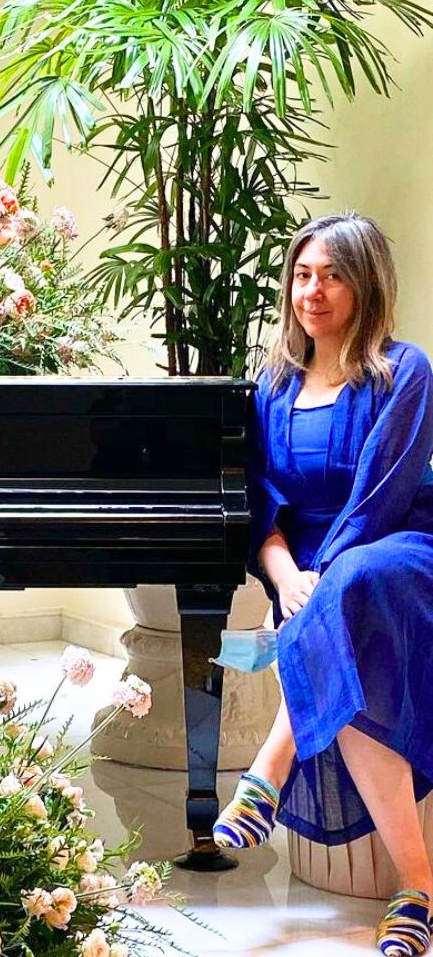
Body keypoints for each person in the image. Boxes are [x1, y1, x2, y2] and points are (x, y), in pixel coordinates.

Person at [212, 213, 433, 957]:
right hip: (304, 569)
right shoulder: (272, 386)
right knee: (349, 654)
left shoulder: (406, 370)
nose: (315, 289)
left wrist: (317, 580)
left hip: (398, 547)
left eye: (333, 274)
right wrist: (283, 576)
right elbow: (260, 500)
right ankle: (419, 892)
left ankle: (265, 772)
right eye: (303, 274)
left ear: (365, 283)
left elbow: (382, 493)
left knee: (355, 582)